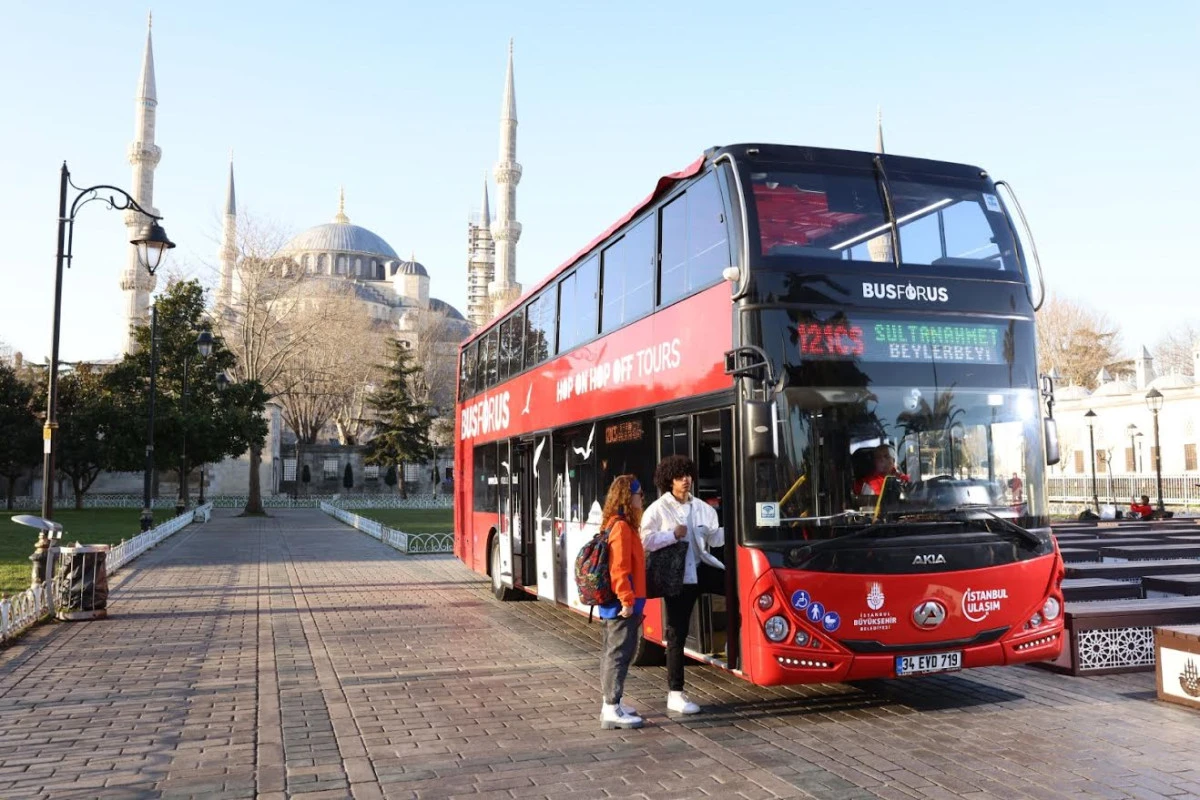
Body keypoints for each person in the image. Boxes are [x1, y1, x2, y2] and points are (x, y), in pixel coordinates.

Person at [641, 454, 724, 715]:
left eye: (688, 475)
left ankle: (734, 643)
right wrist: (671, 535)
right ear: (669, 481)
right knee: (676, 633)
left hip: (703, 570)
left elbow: (717, 540)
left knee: (741, 592)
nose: (685, 480)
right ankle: (675, 694)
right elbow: (645, 540)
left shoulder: (701, 507)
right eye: (679, 477)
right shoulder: (657, 509)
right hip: (677, 579)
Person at [596, 474, 647, 730]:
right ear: (629, 497)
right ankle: (611, 707)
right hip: (622, 604)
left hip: (615, 603)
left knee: (613, 652)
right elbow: (619, 569)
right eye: (639, 494)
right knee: (619, 653)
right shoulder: (622, 528)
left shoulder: (613, 524)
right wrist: (627, 600)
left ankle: (613, 702)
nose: (642, 499)